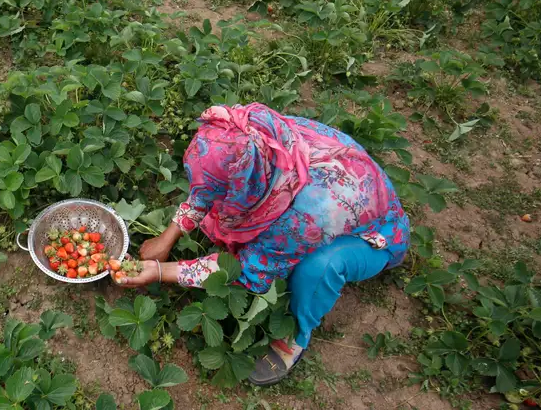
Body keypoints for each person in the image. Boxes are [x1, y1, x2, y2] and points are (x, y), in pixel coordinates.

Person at [116, 103, 410, 386]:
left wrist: (158, 270)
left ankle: (296, 337)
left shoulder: (306, 216)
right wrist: (170, 236)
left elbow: (246, 271)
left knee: (316, 270)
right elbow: (210, 183)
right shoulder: (252, 136)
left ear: (250, 183)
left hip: (373, 236)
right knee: (228, 205)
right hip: (330, 186)